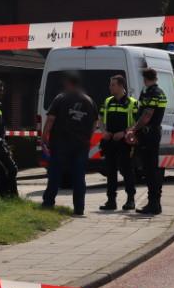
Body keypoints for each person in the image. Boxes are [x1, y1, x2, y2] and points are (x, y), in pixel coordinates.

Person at [42, 72, 97, 216]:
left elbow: (51, 119)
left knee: (55, 174)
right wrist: (87, 137)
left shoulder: (61, 98)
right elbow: (95, 123)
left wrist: (44, 136)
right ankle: (79, 209)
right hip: (81, 145)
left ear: (68, 84)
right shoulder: (89, 101)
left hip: (61, 143)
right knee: (79, 176)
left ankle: (48, 203)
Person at [97, 74, 137, 211]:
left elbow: (137, 123)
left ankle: (130, 200)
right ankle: (111, 201)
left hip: (124, 142)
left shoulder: (132, 102)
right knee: (111, 172)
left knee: (127, 171)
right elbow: (100, 117)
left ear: (121, 86)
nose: (110, 87)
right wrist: (104, 132)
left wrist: (124, 132)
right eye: (110, 84)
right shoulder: (108, 101)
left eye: (113, 85)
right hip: (110, 142)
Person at [132, 67, 168, 216]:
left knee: (151, 169)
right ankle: (154, 202)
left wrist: (134, 129)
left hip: (150, 134)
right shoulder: (148, 92)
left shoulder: (155, 93)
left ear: (145, 79)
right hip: (147, 134)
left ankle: (154, 203)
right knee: (148, 168)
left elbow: (147, 114)